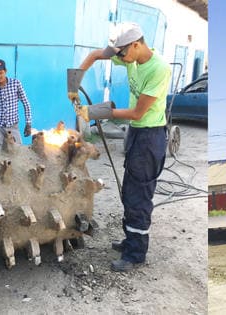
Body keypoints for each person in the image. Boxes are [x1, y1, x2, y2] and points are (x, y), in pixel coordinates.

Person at [72, 22, 171, 272]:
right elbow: (95, 55)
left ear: (136, 44)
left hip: (150, 137)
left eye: (123, 54)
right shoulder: (129, 56)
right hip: (136, 134)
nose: (121, 59)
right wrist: (72, 84)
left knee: (139, 197)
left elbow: (138, 113)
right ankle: (130, 241)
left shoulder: (159, 69)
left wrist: (93, 111)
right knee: (129, 190)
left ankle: (136, 254)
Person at [0, 59, 33, 149]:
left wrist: (28, 123)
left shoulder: (16, 84)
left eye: (1, 73)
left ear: (5, 71)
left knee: (18, 152)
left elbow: (26, 103)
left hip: (13, 126)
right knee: (0, 154)